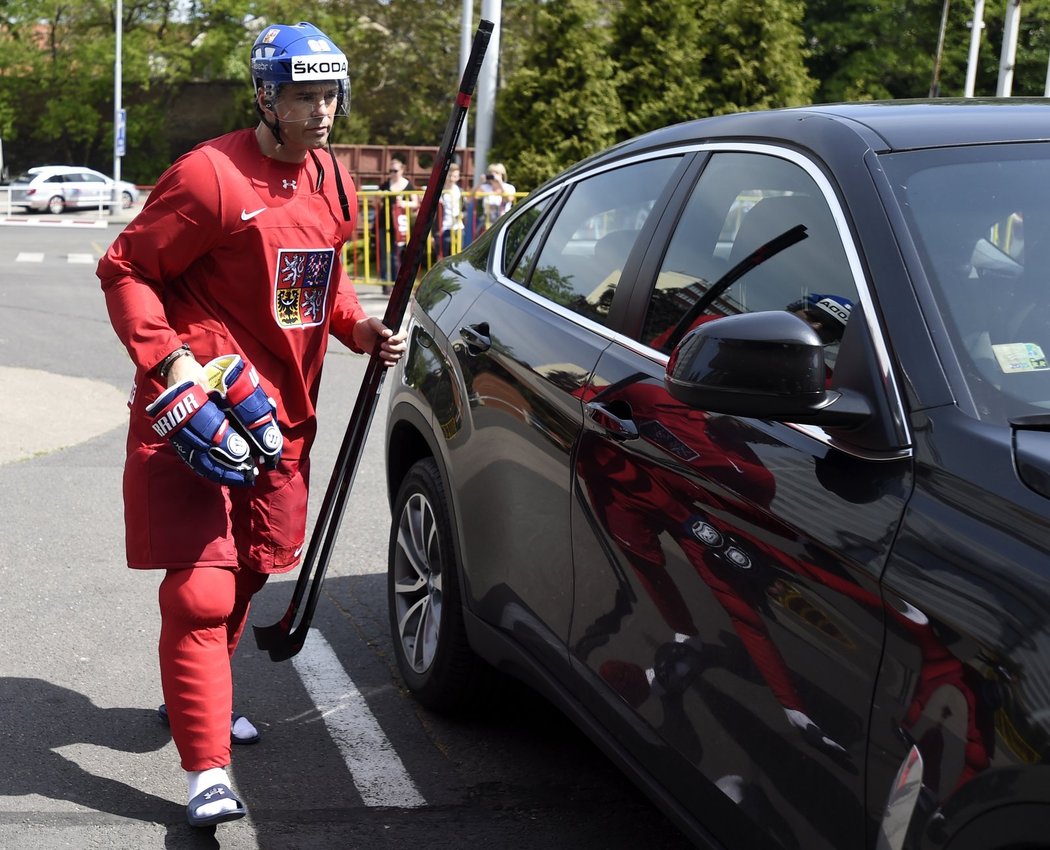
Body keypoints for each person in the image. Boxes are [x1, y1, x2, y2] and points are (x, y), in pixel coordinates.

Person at [95, 21, 406, 829]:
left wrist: (360, 330)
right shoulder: (209, 178)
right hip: (198, 412)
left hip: (285, 423)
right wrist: (166, 360)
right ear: (265, 94)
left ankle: (198, 693)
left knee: (254, 568)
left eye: (330, 93)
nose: (322, 110)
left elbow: (317, 285)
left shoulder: (332, 180)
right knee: (200, 592)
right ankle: (207, 772)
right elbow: (125, 268)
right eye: (305, 94)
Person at [375, 155, 418, 291]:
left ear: (402, 170)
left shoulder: (408, 185)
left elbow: (415, 202)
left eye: (395, 170)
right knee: (384, 254)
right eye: (390, 171)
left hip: (399, 224)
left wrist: (404, 203)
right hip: (384, 222)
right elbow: (374, 202)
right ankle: (385, 284)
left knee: (396, 254)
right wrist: (379, 197)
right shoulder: (385, 185)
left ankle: (395, 283)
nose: (392, 173)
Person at [472, 161, 516, 230]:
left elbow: (509, 199)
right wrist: (480, 182)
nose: (493, 176)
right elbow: (472, 196)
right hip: (487, 224)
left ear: (502, 175)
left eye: (496, 173)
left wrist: (500, 183)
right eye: (491, 173)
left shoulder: (509, 187)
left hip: (503, 222)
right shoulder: (485, 187)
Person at [435, 162, 464, 259]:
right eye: (450, 175)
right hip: (443, 227)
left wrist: (462, 214)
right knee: (443, 256)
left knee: (458, 256)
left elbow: (464, 208)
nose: (452, 179)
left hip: (458, 226)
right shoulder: (439, 190)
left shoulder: (460, 191)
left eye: (455, 176)